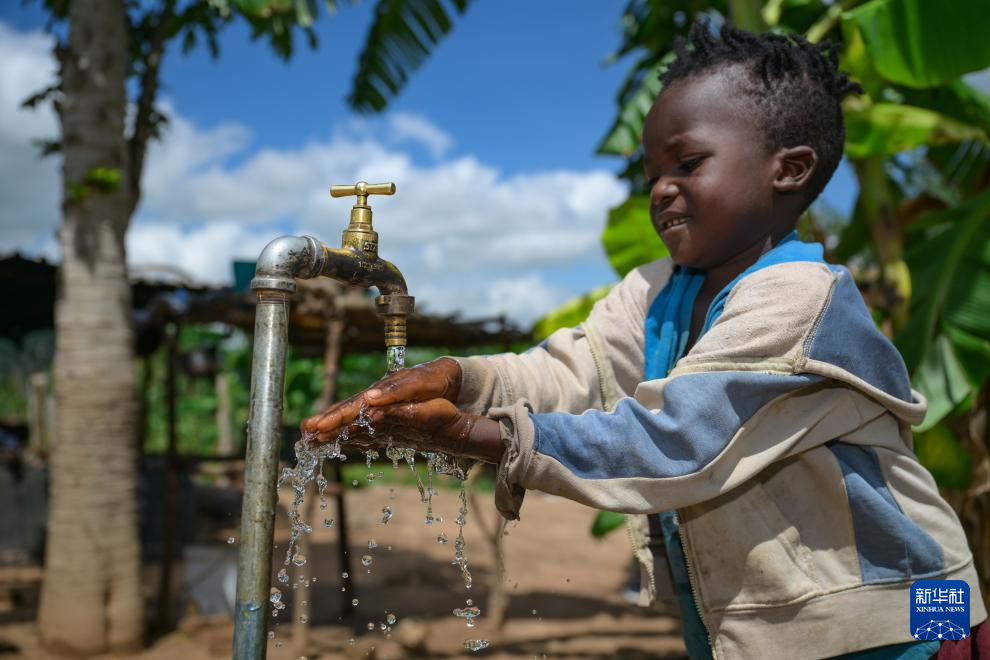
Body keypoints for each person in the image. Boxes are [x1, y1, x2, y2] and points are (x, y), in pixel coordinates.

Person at [303, 22, 987, 660]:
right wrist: (460, 378)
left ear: (791, 169)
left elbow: (676, 438)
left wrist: (482, 437)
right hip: (776, 625)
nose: (661, 189)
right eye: (650, 173)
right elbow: (569, 371)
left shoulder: (800, 298)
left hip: (906, 612)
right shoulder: (659, 291)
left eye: (687, 164)